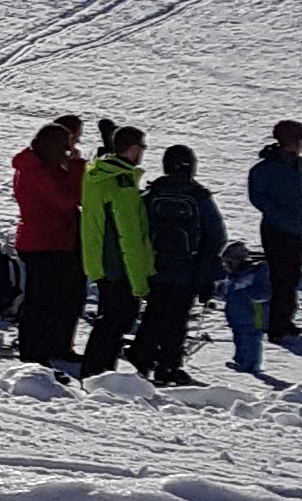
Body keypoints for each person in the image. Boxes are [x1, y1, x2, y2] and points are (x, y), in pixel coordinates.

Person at [137, 146, 225, 385]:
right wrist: (206, 272)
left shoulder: (153, 193)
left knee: (153, 315)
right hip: (187, 270)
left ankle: (141, 362)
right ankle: (168, 366)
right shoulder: (198, 197)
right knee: (177, 320)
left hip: (155, 267)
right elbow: (216, 236)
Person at [12, 115, 87, 368]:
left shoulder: (41, 166)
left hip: (52, 240)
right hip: (43, 242)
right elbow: (68, 200)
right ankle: (33, 351)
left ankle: (54, 346)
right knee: (40, 300)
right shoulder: (37, 171)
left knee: (59, 297)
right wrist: (75, 167)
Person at [78, 123, 151, 377]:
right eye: (141, 147)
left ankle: (97, 370)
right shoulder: (120, 183)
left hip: (101, 259)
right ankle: (99, 372)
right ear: (132, 149)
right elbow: (129, 235)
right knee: (115, 321)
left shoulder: (98, 174)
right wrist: (140, 281)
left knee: (109, 318)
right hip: (119, 265)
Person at [247, 120, 302, 343]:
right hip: (276, 230)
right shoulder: (266, 168)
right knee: (281, 278)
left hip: (296, 228)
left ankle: (285, 320)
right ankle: (277, 326)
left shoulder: (296, 164)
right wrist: (279, 214)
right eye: (301, 139)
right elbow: (258, 197)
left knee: (293, 275)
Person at [225, 239, 271, 378]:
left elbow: (262, 293)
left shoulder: (256, 272)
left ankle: (250, 365)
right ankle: (240, 360)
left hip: (255, 313)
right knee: (239, 338)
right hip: (237, 315)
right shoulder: (233, 277)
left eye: (229, 262)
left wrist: (247, 294)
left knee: (251, 338)